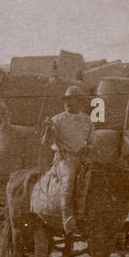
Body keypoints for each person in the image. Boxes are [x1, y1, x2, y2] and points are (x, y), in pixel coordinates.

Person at [40, 84, 94, 236]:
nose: (68, 102)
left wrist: (87, 152)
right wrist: (47, 130)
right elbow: (46, 143)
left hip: (81, 157)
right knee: (69, 179)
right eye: (66, 99)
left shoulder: (87, 121)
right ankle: (67, 220)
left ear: (80, 102)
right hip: (64, 158)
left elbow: (91, 142)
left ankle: (83, 214)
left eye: (72, 99)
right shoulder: (56, 120)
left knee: (93, 177)